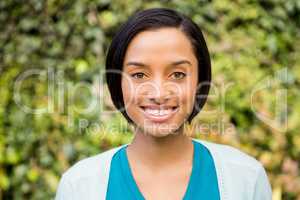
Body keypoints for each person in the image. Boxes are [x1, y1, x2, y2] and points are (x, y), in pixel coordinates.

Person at [55, 8, 272, 200]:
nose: (159, 93)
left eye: (177, 74)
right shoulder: (79, 186)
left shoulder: (245, 178)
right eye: (139, 75)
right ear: (117, 82)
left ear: (200, 80)